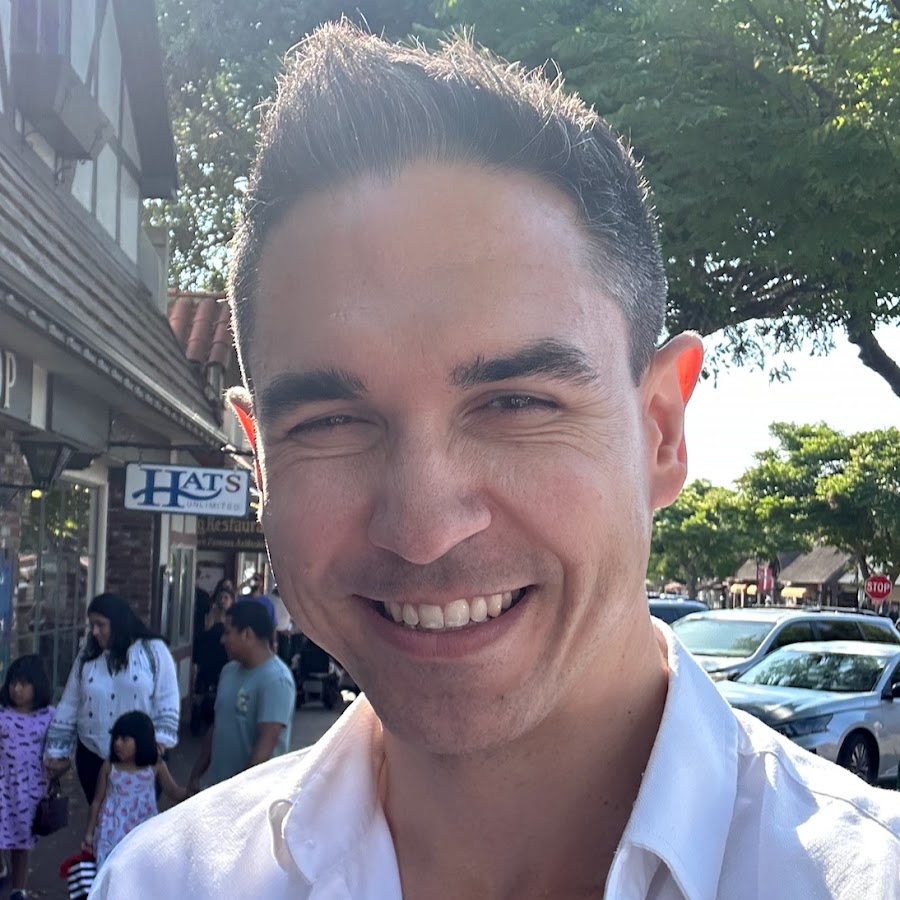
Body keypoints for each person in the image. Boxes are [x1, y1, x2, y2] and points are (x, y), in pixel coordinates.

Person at [90, 21, 900, 899]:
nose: (423, 528)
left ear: (660, 432)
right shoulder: (166, 882)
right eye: (331, 422)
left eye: (516, 404)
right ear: (261, 464)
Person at [44, 593, 180, 803]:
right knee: (99, 816)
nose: (94, 631)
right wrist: (58, 750)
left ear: (118, 623)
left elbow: (167, 699)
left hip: (141, 759)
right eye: (92, 625)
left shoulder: (153, 651)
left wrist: (158, 745)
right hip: (93, 757)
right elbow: (71, 702)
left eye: (101, 625)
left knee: (139, 820)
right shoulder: (88, 654)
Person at [187, 600, 295, 792]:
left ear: (247, 634)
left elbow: (265, 746)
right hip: (219, 792)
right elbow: (218, 725)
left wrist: (236, 795)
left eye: (228, 633)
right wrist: (196, 774)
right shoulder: (228, 671)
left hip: (253, 798)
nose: (222, 640)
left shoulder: (276, 680)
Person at [83, 711, 186, 868]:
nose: (117, 743)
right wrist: (89, 833)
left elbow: (173, 791)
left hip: (143, 830)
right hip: (111, 833)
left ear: (142, 740)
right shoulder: (110, 767)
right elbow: (97, 801)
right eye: (116, 737)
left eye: (124, 739)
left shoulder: (155, 766)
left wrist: (193, 792)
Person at [0, 655, 54, 900]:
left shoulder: (48, 716)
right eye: (13, 683)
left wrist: (57, 768)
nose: (16, 689)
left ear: (37, 685)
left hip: (29, 790)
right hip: (2, 784)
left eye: (23, 684)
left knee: (21, 840)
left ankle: (18, 888)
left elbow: (57, 750)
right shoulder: (2, 712)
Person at [190, 583, 236, 735]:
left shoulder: (234, 616)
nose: (223, 601)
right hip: (210, 652)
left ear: (232, 600)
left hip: (224, 655)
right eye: (221, 598)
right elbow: (207, 631)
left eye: (226, 598)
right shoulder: (213, 613)